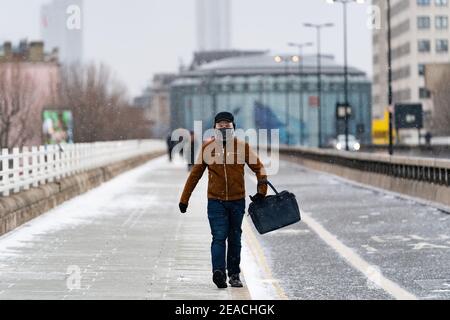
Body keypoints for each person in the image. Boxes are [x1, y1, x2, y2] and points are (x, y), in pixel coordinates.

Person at [178, 111, 268, 289]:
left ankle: (234, 274)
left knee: (235, 238)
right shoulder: (207, 148)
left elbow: (259, 168)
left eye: (228, 126)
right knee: (219, 237)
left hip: (236, 201)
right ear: (214, 128)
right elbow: (195, 175)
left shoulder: (242, 147)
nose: (224, 129)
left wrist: (262, 191)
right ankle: (218, 272)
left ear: (234, 128)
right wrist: (184, 199)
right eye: (221, 126)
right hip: (215, 201)